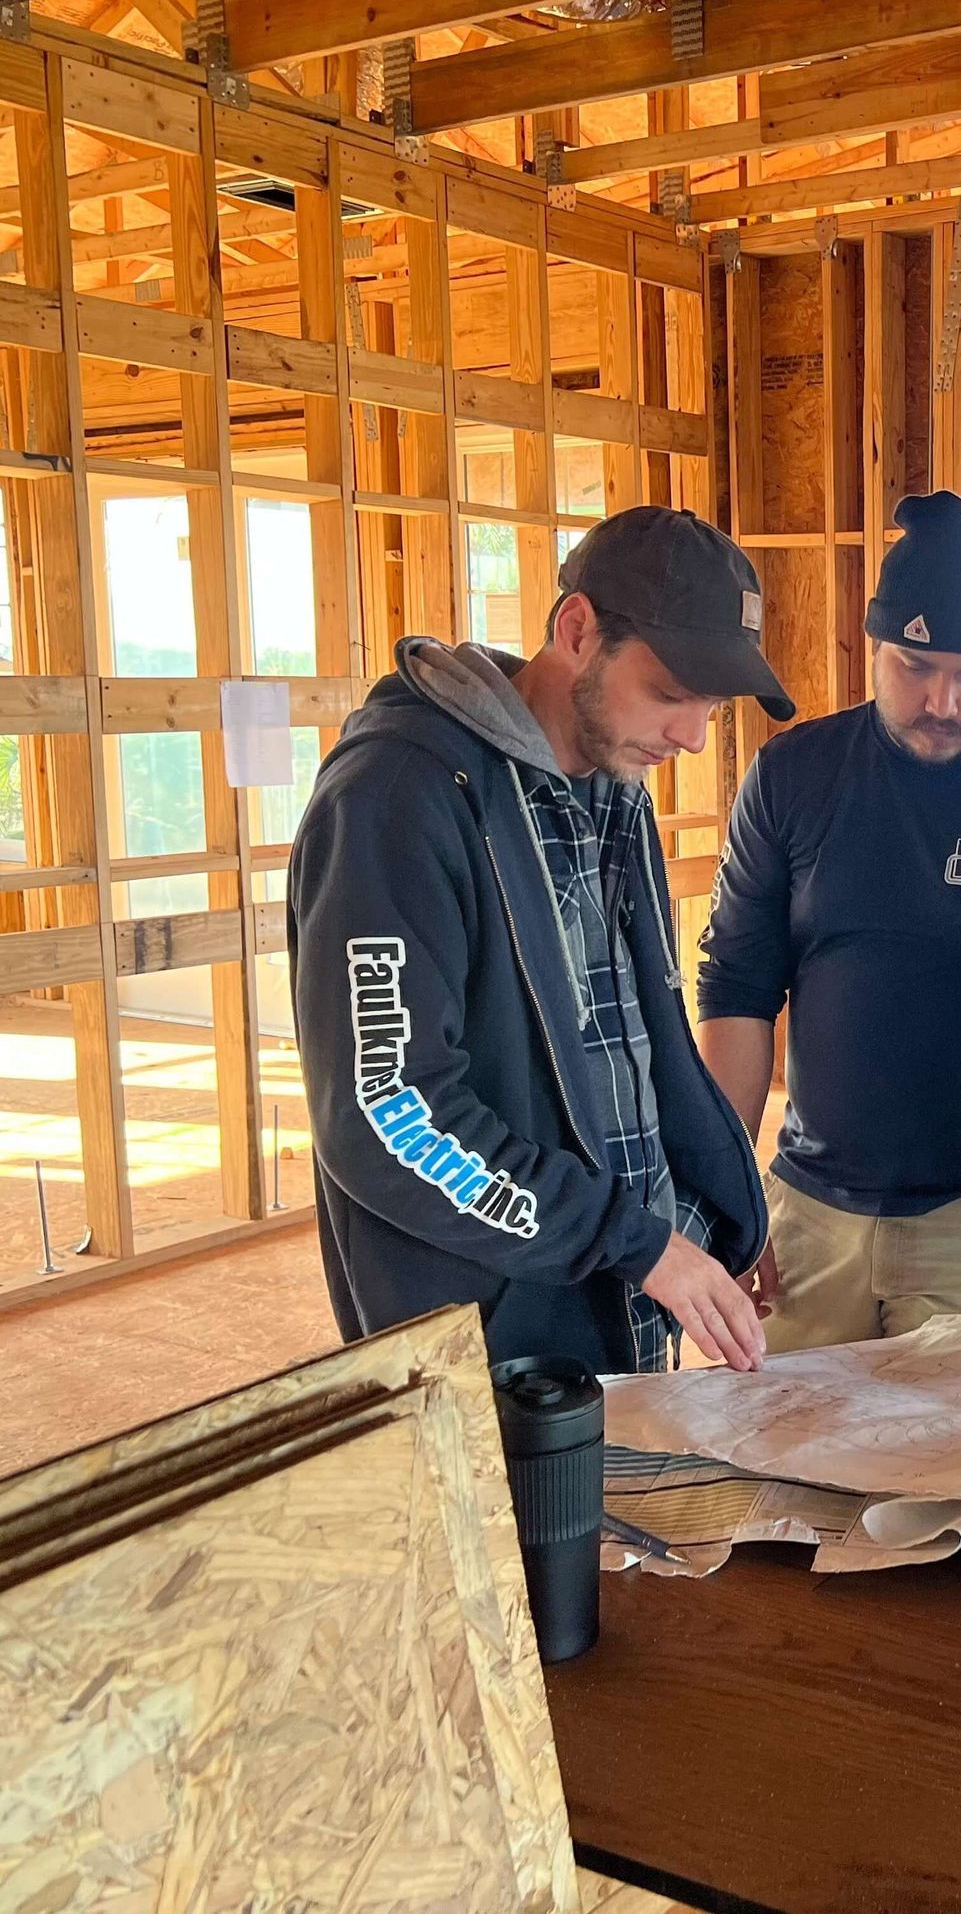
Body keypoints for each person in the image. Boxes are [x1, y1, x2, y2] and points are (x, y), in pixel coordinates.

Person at [289, 506, 793, 1376]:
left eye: (711, 706)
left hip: (618, 1309)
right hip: (486, 1343)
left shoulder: (614, 790)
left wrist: (707, 1219)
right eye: (672, 695)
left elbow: (628, 1050)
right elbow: (389, 1114)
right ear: (576, 629)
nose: (692, 736)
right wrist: (631, 1240)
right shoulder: (396, 798)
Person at [697, 491, 961, 1351]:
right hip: (809, 1206)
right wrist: (725, 1193)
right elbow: (737, 985)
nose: (941, 701)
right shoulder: (794, 775)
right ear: (875, 647)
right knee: (797, 1459)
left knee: (956, 1473)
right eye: (913, 666)